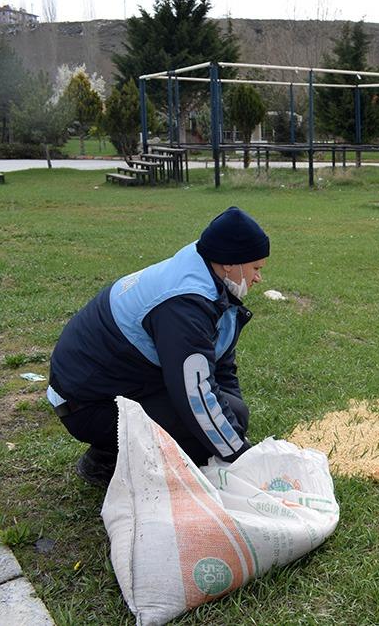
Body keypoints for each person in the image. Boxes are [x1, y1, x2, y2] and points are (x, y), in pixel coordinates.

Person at [47, 206, 270, 487]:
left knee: (233, 414)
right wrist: (240, 458)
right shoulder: (185, 304)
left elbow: (220, 364)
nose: (258, 278)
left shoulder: (205, 273)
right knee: (201, 442)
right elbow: (194, 395)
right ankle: (107, 461)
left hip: (115, 385)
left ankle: (120, 449)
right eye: (256, 268)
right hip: (85, 404)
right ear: (230, 263)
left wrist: (234, 430)